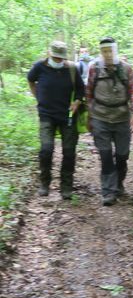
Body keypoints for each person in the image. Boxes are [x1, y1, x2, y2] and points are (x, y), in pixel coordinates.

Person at [85, 37, 133, 206]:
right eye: (104, 51)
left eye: (110, 51)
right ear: (101, 52)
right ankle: (108, 192)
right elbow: (89, 93)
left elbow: (132, 92)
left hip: (121, 117)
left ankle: (119, 183)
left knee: (122, 155)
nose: (107, 54)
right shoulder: (94, 69)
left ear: (115, 51)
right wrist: (89, 115)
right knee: (105, 154)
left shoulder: (127, 69)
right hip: (100, 117)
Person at [27, 41, 84, 199]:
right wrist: (37, 96)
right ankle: (45, 183)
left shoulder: (72, 69)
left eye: (61, 58)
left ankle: (66, 186)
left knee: (69, 151)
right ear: (49, 54)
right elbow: (31, 80)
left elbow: (81, 89)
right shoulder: (39, 67)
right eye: (55, 57)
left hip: (68, 116)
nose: (58, 60)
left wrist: (77, 102)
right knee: (46, 149)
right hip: (46, 115)